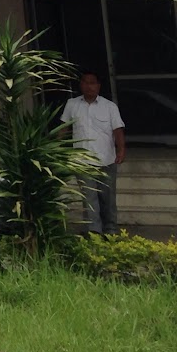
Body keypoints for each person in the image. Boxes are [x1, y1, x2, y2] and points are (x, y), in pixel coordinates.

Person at [60, 70, 125, 234]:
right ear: (81, 85)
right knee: (89, 199)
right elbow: (63, 128)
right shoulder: (72, 104)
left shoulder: (109, 106)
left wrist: (121, 149)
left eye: (93, 82)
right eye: (86, 82)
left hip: (106, 160)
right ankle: (94, 232)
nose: (90, 86)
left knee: (108, 199)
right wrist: (57, 149)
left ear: (98, 86)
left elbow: (117, 130)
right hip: (82, 162)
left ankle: (110, 230)